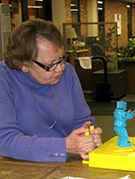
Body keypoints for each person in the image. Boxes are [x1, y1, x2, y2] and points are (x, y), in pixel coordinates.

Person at [0, 19, 102, 162]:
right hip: (20, 167)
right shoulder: (4, 79)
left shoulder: (68, 73)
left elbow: (82, 121)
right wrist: (63, 147)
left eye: (61, 59)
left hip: (67, 162)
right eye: (50, 65)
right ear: (23, 64)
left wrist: (89, 135)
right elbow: (6, 141)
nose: (60, 68)